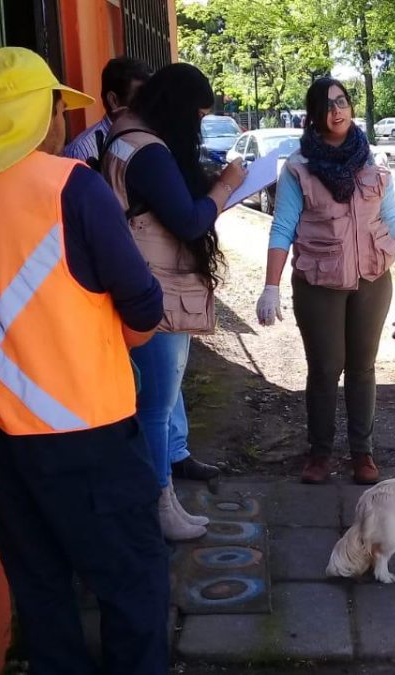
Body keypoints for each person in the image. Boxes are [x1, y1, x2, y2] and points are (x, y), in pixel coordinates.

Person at [0, 47, 169, 674]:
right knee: (131, 586)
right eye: (56, 106)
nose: (62, 121)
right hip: (89, 434)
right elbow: (142, 305)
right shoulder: (69, 186)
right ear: (37, 115)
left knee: (41, 593)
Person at [255, 77, 395, 485]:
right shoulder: (298, 167)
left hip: (372, 279)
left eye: (341, 102)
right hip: (318, 282)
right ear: (313, 116)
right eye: (326, 106)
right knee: (325, 368)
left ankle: (363, 453)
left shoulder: (373, 160)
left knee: (362, 367)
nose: (336, 111)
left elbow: (393, 221)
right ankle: (320, 453)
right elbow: (283, 226)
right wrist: (270, 285)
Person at [103, 63, 247, 540]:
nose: (200, 127)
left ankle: (163, 501)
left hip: (145, 286)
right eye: (199, 117)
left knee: (155, 405)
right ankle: (158, 507)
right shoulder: (148, 151)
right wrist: (225, 186)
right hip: (158, 293)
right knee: (156, 407)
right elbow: (188, 221)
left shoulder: (125, 137)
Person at [63, 56, 151, 166]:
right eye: (139, 96)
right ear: (113, 100)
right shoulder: (84, 151)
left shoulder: (150, 135)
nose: (147, 103)